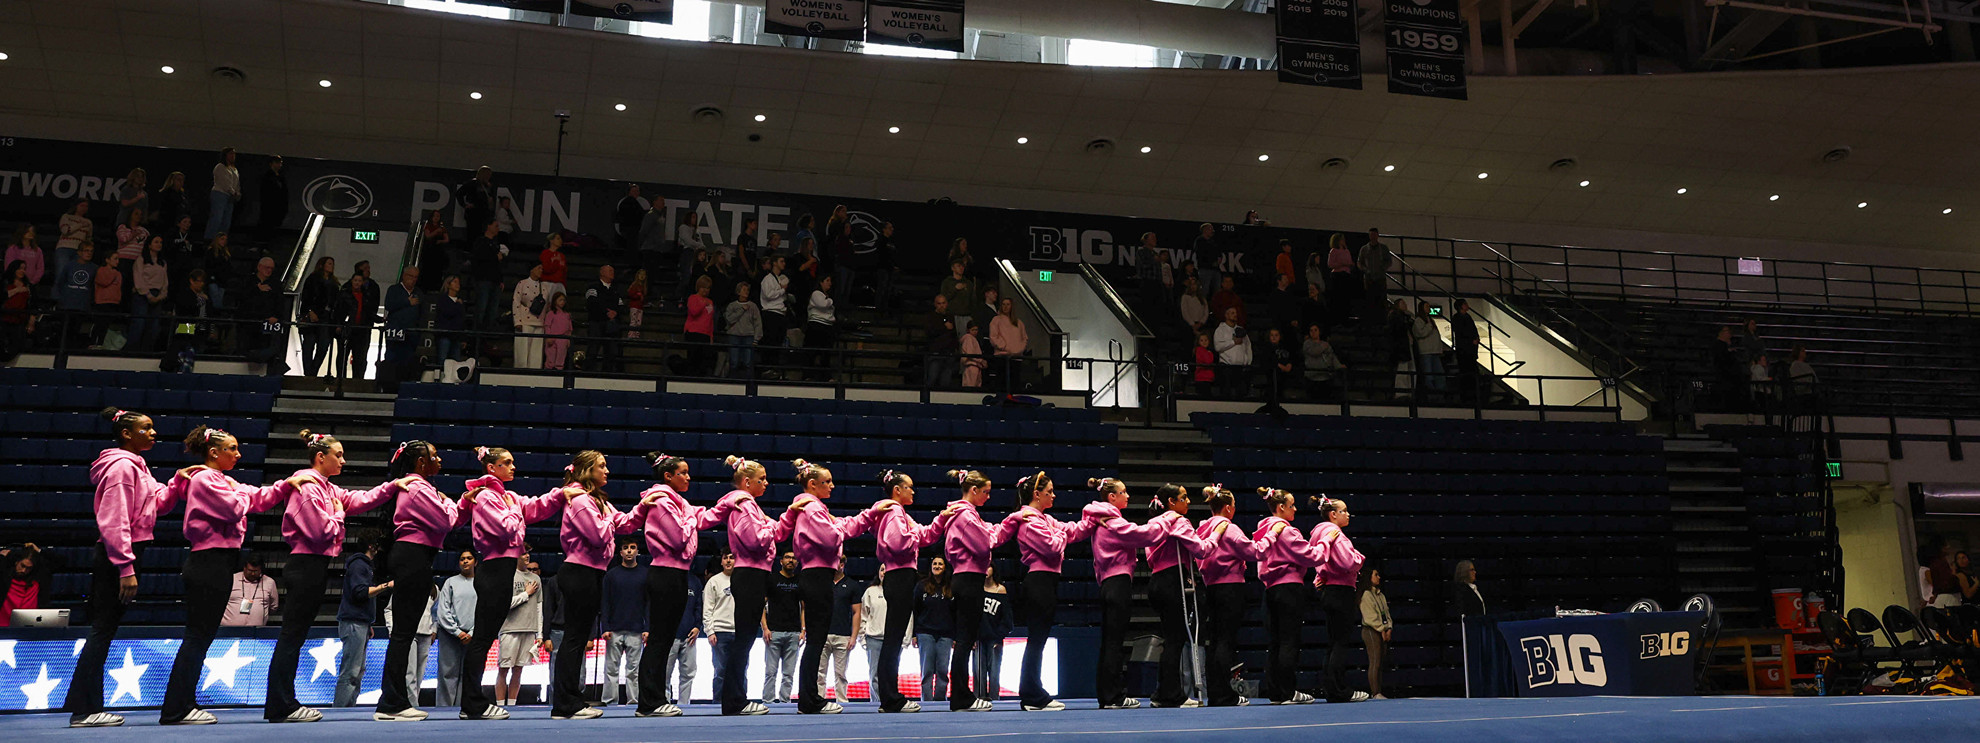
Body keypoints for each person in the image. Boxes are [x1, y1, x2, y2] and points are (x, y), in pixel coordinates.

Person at [158, 427, 309, 725]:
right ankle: (176, 708)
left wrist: (285, 485)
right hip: (207, 562)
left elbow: (256, 497)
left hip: (219, 562)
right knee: (197, 637)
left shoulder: (223, 480)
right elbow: (236, 507)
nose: (238, 454)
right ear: (214, 452)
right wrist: (242, 492)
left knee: (202, 637)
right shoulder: (204, 479)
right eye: (232, 448)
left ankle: (183, 703)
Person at [266, 433, 407, 721]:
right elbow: (319, 530)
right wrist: (340, 515)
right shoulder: (307, 486)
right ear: (321, 457)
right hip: (304, 564)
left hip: (314, 565)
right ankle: (281, 704)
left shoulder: (327, 489)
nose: (343, 460)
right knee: (291, 636)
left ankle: (283, 701)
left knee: (296, 636)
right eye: (338, 455)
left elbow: (362, 498)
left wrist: (392, 486)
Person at [62, 409, 172, 728]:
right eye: (146, 428)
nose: (153, 433)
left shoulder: (137, 465)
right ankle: (85, 709)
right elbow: (113, 520)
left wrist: (179, 482)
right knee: (102, 629)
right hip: (117, 554)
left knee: (104, 630)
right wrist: (126, 566)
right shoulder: (123, 467)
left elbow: (156, 503)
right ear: (127, 433)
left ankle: (86, 706)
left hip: (123, 552)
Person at [778, 460, 890, 714]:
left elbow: (840, 527)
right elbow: (832, 535)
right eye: (826, 481)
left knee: (817, 640)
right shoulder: (812, 508)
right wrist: (865, 516)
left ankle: (809, 699)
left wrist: (867, 516)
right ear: (812, 484)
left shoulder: (816, 508)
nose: (832, 485)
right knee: (816, 640)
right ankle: (809, 700)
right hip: (816, 576)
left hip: (818, 575)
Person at [372, 440, 465, 722]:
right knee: (403, 633)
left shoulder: (418, 487)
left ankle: (393, 699)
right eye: (434, 456)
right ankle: (391, 702)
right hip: (412, 556)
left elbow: (453, 518)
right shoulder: (417, 486)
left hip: (417, 556)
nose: (440, 461)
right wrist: (448, 501)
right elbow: (446, 521)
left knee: (404, 632)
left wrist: (455, 504)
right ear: (421, 463)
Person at [549, 450, 641, 721]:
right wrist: (610, 520)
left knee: (578, 637)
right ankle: (565, 703)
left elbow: (622, 523)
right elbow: (600, 535)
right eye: (602, 466)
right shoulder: (579, 499)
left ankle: (570, 700)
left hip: (591, 573)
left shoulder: (597, 501)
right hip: (579, 571)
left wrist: (644, 507)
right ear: (587, 470)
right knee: (574, 638)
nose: (607, 471)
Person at [1082, 478, 1187, 710]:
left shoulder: (1103, 519)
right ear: (1112, 497)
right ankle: (1113, 696)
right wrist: (1167, 520)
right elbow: (1142, 535)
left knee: (1110, 641)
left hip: (1109, 581)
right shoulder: (1112, 521)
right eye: (1123, 492)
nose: (1128, 496)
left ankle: (1108, 694)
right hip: (1117, 581)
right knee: (1115, 642)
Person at [630, 451, 718, 716]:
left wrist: (726, 506)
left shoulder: (678, 503)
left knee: (666, 639)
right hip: (664, 573)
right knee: (659, 640)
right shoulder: (661, 501)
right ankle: (648, 702)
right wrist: (691, 515)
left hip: (678, 573)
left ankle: (656, 698)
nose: (689, 477)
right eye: (683, 473)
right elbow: (679, 536)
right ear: (668, 476)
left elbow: (701, 519)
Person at [1009, 472, 1093, 712]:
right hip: (1038, 580)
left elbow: (1073, 531)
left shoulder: (1044, 519)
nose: (1054, 495)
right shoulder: (1030, 521)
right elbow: (1054, 547)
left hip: (1046, 580)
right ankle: (1032, 694)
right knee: (1036, 640)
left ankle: (1032, 691)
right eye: (1050, 492)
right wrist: (1060, 533)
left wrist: (1095, 517)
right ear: (1037, 494)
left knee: (1039, 639)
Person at [1254, 487, 1337, 705]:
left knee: (1275, 642)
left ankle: (1276, 692)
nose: (1295, 509)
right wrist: (1326, 541)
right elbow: (1312, 556)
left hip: (1270, 589)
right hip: (1289, 588)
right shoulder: (1287, 531)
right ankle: (1288, 692)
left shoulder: (1263, 529)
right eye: (1292, 505)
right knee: (1289, 641)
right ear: (1281, 507)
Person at [712, 456, 781, 716]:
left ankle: (735, 699)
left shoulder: (751, 507)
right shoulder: (745, 506)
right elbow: (754, 540)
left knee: (745, 640)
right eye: (761, 479)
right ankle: (733, 701)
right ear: (747, 482)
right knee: (742, 641)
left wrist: (770, 526)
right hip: (750, 574)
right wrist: (771, 528)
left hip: (754, 574)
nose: (766, 483)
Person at [1196, 486, 1274, 707]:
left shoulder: (1202, 528)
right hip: (1230, 587)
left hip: (1211, 587)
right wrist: (1270, 537)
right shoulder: (1228, 528)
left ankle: (1216, 691)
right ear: (1228, 508)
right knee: (1225, 642)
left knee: (1215, 642)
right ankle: (1223, 694)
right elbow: (1254, 551)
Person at [872, 470, 937, 713]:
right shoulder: (895, 512)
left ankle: (889, 696)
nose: (913, 491)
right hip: (899, 575)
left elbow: (925, 535)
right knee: (893, 638)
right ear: (897, 490)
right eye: (909, 487)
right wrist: (915, 536)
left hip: (898, 575)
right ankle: (890, 698)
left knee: (894, 638)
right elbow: (899, 542)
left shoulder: (898, 514)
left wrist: (941, 519)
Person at [1308, 497, 1368, 704]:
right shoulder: (1337, 536)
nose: (1348, 514)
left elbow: (1319, 560)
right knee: (1340, 642)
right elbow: (1348, 562)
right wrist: (1360, 557)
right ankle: (1339, 690)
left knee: (1333, 642)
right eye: (1344, 511)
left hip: (1328, 591)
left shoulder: (1318, 534)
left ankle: (1331, 687)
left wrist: (1321, 576)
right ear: (1333, 514)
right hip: (1341, 591)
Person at [600, 541, 648, 707]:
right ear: (620, 552)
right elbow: (605, 603)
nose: (629, 551)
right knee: (611, 669)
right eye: (626, 548)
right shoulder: (611, 575)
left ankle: (634, 702)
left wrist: (647, 627)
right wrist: (604, 627)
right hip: (614, 629)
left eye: (632, 548)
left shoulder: (645, 574)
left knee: (634, 671)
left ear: (637, 551)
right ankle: (609, 701)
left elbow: (648, 603)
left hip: (636, 629)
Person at [499, 553, 546, 707]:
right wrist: (526, 594)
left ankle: (512, 705)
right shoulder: (508, 576)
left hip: (529, 629)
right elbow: (504, 604)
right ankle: (500, 705)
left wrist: (540, 633)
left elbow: (539, 608)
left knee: (519, 670)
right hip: (509, 629)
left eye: (527, 553)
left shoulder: (536, 579)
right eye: (523, 553)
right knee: (504, 669)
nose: (526, 556)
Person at [435, 551, 479, 709]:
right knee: (447, 674)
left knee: (467, 674)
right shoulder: (450, 582)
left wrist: (472, 632)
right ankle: (444, 710)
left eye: (469, 558)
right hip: (450, 635)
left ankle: (463, 708)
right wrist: (457, 632)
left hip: (473, 635)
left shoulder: (481, 583)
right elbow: (443, 610)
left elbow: (484, 610)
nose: (465, 561)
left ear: (476, 562)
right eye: (462, 559)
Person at [764, 551, 804, 705]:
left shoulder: (800, 581)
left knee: (789, 673)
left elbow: (803, 607)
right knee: (770, 672)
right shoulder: (772, 579)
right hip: (774, 631)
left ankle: (785, 702)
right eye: (787, 557)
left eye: (794, 558)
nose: (791, 560)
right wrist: (765, 628)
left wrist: (803, 629)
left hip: (794, 632)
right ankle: (767, 701)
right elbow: (762, 605)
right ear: (781, 561)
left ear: (797, 563)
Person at [913, 556, 955, 703]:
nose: (937, 566)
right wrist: (914, 634)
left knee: (943, 670)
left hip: (946, 634)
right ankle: (927, 701)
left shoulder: (951, 587)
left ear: (945, 567)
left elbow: (956, 613)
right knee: (927, 670)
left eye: (940, 564)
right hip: (925, 633)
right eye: (934, 564)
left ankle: (940, 701)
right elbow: (915, 610)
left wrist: (955, 636)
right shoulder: (921, 586)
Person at [823, 561, 863, 704]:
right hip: (823, 634)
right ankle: (819, 700)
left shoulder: (852, 585)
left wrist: (854, 636)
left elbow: (857, 612)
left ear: (844, 564)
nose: (837, 565)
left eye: (840, 562)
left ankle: (842, 700)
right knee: (820, 673)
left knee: (840, 673)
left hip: (843, 635)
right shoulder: (823, 583)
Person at [973, 568, 1014, 703]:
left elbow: (1007, 620)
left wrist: (999, 637)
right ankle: (979, 699)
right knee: (979, 672)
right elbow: (970, 616)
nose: (985, 569)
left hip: (994, 639)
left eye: (988, 566)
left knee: (994, 673)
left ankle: (995, 700)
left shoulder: (1001, 590)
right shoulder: (976, 590)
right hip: (978, 639)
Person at [703, 551, 737, 707]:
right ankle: (718, 703)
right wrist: (710, 631)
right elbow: (707, 608)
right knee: (721, 671)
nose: (729, 561)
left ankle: (739, 701)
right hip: (720, 632)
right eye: (725, 558)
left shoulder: (742, 580)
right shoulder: (714, 581)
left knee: (740, 670)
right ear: (722, 562)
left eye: (731, 557)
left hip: (739, 632)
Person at [334, 269, 378, 380]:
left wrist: (380, 319)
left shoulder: (366, 296)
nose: (357, 283)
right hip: (347, 329)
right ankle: (341, 379)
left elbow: (369, 313)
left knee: (359, 358)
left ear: (362, 282)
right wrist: (339, 324)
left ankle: (357, 380)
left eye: (359, 280)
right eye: (355, 280)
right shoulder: (344, 294)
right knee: (342, 356)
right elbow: (338, 310)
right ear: (351, 281)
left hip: (361, 330)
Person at [298, 257, 338, 377]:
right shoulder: (313, 278)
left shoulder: (334, 283)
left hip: (326, 316)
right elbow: (306, 296)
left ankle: (313, 370)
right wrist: (310, 310)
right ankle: (308, 372)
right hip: (313, 314)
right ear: (322, 265)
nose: (331, 266)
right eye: (329, 263)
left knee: (323, 345)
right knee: (309, 344)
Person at [128, 237, 169, 354]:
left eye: (161, 242)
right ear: (149, 245)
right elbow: (138, 279)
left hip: (157, 295)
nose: (159, 244)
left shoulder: (162, 263)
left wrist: (161, 295)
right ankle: (132, 351)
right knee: (139, 324)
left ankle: (147, 351)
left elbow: (165, 281)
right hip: (142, 295)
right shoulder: (141, 260)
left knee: (154, 326)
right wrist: (148, 294)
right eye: (156, 242)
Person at [584, 265, 626, 372]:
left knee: (611, 351)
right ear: (602, 272)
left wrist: (615, 313)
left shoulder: (616, 290)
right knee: (593, 349)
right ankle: (588, 374)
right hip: (596, 322)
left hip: (612, 324)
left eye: (613, 270)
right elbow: (592, 303)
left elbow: (621, 305)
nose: (612, 272)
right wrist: (606, 312)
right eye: (610, 270)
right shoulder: (593, 287)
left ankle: (607, 374)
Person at [1359, 568, 1393, 700]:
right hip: (1371, 630)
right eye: (1376, 575)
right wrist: (1382, 629)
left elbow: (1387, 613)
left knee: (1380, 661)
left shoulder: (1381, 595)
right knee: (1375, 661)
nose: (1379, 577)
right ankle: (1375, 692)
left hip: (1382, 630)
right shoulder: (1366, 595)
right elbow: (1370, 617)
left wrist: (1389, 628)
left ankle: (1379, 690)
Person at [220, 555, 278, 627]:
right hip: (228, 630)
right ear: (244, 568)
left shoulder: (269, 582)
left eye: (256, 571)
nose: (253, 574)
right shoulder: (231, 579)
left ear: (261, 570)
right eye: (250, 571)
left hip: (256, 631)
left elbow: (273, 607)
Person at [857, 576, 889, 702]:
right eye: (882, 569)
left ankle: (889, 701)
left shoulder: (899, 590)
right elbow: (863, 615)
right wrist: (862, 637)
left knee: (890, 674)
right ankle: (876, 702)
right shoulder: (870, 591)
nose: (884, 572)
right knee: (874, 674)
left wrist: (905, 638)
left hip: (891, 640)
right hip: (873, 639)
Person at [989, 297, 1029, 392]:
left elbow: (1024, 338)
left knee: (1015, 384)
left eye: (1008, 304)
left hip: (1016, 357)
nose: (1005, 307)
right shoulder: (996, 320)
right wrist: (1004, 347)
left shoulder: (1019, 323)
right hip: (1002, 356)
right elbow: (993, 336)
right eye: (1003, 304)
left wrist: (1019, 349)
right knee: (1002, 384)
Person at [511, 264, 547, 369]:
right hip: (524, 320)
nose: (541, 270)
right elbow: (516, 302)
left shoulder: (544, 287)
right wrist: (517, 321)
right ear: (532, 269)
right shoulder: (522, 283)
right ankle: (521, 371)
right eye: (538, 268)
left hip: (539, 321)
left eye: (542, 268)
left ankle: (534, 371)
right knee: (522, 350)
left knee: (536, 351)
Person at [724, 281, 761, 379]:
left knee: (748, 362)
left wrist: (756, 339)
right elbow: (729, 319)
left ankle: (748, 385)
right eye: (744, 290)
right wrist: (742, 310)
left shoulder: (753, 306)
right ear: (738, 291)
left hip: (748, 336)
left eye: (747, 290)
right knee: (734, 362)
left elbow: (757, 323)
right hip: (734, 336)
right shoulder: (732, 306)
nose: (746, 292)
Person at [1213, 308, 1251, 399]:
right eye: (1232, 313)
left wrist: (1247, 362)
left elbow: (1248, 347)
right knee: (1226, 393)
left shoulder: (1241, 330)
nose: (1235, 315)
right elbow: (1217, 347)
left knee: (1242, 393)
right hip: (1226, 367)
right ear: (1226, 315)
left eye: (1236, 313)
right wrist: (1233, 342)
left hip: (1240, 367)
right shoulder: (1220, 330)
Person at [804, 276, 837, 381]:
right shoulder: (816, 293)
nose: (829, 283)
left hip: (827, 326)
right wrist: (830, 301)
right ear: (821, 282)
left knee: (826, 353)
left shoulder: (827, 296)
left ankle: (826, 376)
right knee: (811, 352)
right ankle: (808, 375)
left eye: (830, 281)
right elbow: (822, 305)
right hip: (816, 325)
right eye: (827, 281)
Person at [1413, 302, 1448, 395]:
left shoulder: (1430, 320)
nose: (1429, 308)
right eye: (1426, 306)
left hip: (1434, 351)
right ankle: (1431, 393)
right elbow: (1420, 333)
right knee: (1429, 374)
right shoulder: (1419, 320)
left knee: (1438, 374)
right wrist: (1429, 326)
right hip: (1426, 351)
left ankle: (1439, 393)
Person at [206, 148, 241, 240]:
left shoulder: (235, 169)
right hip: (220, 193)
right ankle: (209, 239)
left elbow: (236, 183)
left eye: (234, 154)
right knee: (217, 218)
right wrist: (233, 192)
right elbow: (224, 183)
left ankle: (221, 240)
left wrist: (237, 193)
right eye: (230, 154)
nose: (233, 156)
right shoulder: (220, 167)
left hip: (230, 197)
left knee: (226, 221)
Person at [924, 296, 959, 388]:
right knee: (932, 378)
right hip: (935, 352)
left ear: (947, 304)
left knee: (946, 381)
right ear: (935, 304)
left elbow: (954, 334)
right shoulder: (930, 317)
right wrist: (944, 328)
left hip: (948, 353)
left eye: (943, 303)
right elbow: (929, 333)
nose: (941, 306)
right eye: (939, 304)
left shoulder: (950, 316)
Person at [455, 166, 496, 242]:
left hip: (484, 215)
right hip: (474, 214)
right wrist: (465, 205)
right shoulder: (473, 183)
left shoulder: (488, 185)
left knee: (481, 235)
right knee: (472, 234)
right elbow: (459, 193)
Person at [686, 275, 716, 376]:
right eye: (704, 287)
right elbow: (694, 312)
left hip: (705, 334)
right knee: (693, 359)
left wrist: (711, 336)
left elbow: (710, 319)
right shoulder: (692, 298)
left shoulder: (711, 301)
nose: (706, 290)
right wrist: (703, 303)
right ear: (699, 287)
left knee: (704, 361)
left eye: (708, 288)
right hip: (693, 332)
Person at [1451, 299, 1481, 401]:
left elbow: (1472, 330)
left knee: (1472, 370)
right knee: (1467, 370)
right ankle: (1467, 393)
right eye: (1465, 304)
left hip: (1470, 349)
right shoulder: (1457, 318)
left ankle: (1472, 392)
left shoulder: (1467, 317)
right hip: (1464, 349)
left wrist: (1476, 338)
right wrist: (1471, 341)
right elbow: (1461, 333)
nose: (1467, 305)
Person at [433, 275, 467, 364]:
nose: (457, 284)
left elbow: (462, 320)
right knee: (442, 361)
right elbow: (447, 313)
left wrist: (462, 338)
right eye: (455, 282)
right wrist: (458, 305)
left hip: (456, 336)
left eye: (458, 282)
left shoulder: (460, 301)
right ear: (448, 284)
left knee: (456, 362)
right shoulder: (443, 299)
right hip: (445, 335)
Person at [1358, 229, 1390, 315]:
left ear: (1377, 235)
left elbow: (1389, 261)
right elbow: (1359, 262)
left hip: (1380, 277)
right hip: (1369, 278)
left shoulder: (1383, 248)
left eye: (1374, 235)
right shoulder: (1364, 249)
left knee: (1381, 299)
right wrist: (1365, 269)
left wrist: (1382, 268)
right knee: (1370, 299)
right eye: (1371, 235)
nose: (1372, 237)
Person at [1326, 233, 1357, 322]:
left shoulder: (1346, 251)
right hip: (1337, 276)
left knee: (1345, 297)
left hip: (1346, 275)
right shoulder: (1334, 251)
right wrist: (1342, 264)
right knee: (1337, 297)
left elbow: (1350, 262)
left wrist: (1350, 265)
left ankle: (1345, 317)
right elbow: (1330, 264)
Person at [257, 155, 289, 241]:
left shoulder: (281, 177)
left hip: (278, 205)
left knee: (274, 225)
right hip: (269, 205)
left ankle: (269, 242)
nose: (280, 165)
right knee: (267, 224)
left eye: (280, 163)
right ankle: (264, 242)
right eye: (277, 163)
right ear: (272, 164)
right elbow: (264, 192)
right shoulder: (267, 176)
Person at [57, 200, 94, 270]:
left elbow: (88, 238)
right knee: (62, 271)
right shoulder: (67, 217)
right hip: (65, 247)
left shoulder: (88, 222)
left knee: (76, 273)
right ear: (76, 206)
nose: (84, 208)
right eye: (82, 205)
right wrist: (80, 225)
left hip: (79, 250)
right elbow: (65, 230)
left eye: (86, 206)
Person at [6, 224, 45, 288]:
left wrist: (33, 282)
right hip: (15, 284)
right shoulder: (12, 249)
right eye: (28, 231)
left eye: (32, 231)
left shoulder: (37, 250)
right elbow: (9, 266)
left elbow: (40, 268)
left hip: (31, 285)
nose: (31, 233)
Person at [615, 183, 648, 254]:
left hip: (628, 230)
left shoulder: (626, 202)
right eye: (634, 191)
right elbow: (639, 215)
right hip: (632, 231)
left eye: (637, 191)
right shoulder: (631, 202)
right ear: (629, 192)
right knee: (632, 249)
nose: (637, 193)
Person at [542, 292, 572, 370]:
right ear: (555, 301)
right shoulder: (551, 313)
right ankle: (548, 369)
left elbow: (569, 329)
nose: (562, 302)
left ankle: (559, 370)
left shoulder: (567, 315)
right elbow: (547, 326)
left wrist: (568, 339)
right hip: (552, 337)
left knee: (561, 356)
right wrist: (548, 337)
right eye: (560, 300)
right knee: (550, 356)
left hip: (563, 338)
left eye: (564, 300)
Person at [960, 320, 988, 388]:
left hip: (976, 366)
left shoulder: (973, 339)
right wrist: (981, 361)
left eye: (976, 330)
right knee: (971, 387)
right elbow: (970, 353)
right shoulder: (968, 338)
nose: (975, 332)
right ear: (968, 330)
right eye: (973, 330)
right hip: (972, 365)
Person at [1191, 332, 1216, 397]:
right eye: (1201, 340)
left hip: (1207, 378)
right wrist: (1209, 353)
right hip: (1202, 378)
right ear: (1198, 342)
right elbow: (1208, 361)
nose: (1204, 342)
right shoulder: (1200, 350)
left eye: (1206, 340)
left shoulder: (1208, 351)